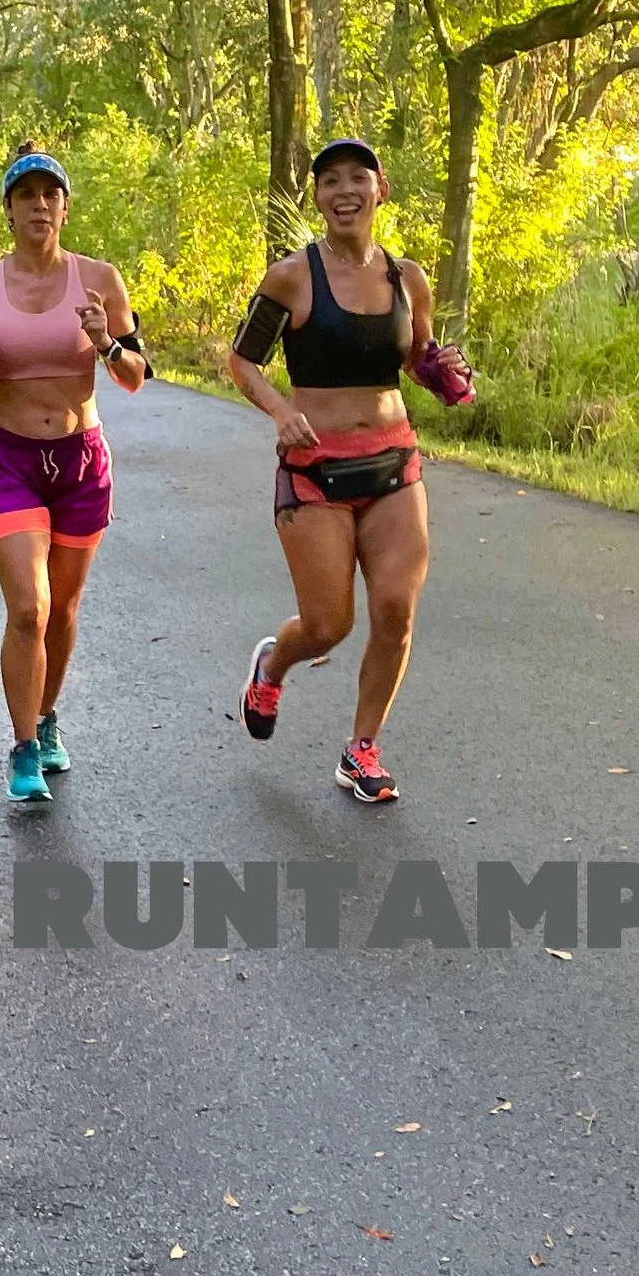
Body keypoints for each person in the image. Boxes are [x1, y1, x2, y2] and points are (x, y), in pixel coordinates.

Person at [225, 134, 450, 806]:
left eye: (359, 177)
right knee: (328, 624)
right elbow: (241, 361)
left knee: (396, 611)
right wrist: (277, 409)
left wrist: (443, 373)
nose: (345, 190)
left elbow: (415, 354)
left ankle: (362, 749)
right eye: (330, 181)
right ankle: (273, 663)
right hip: (314, 469)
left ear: (381, 189)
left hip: (393, 463)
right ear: (318, 197)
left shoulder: (407, 279)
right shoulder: (293, 276)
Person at [0, 150, 147, 804]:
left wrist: (107, 339)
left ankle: (47, 717)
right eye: (25, 194)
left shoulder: (100, 279)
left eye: (49, 194)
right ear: (9, 207)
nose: (38, 205)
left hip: (83, 463)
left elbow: (136, 375)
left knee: (63, 611)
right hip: (8, 461)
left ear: (64, 205)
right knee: (30, 608)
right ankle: (23, 746)